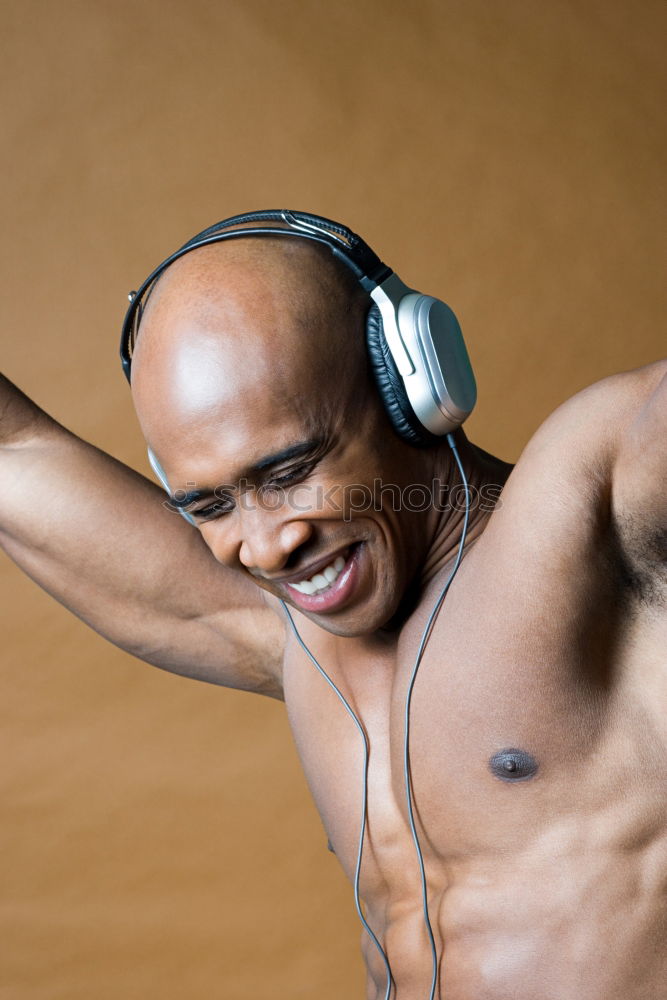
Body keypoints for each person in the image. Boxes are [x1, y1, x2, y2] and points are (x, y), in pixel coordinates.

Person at [1, 210, 665, 1000]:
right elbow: (13, 457)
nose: (265, 546)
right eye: (208, 505)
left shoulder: (594, 509)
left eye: (287, 474)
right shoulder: (290, 632)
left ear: (410, 386)